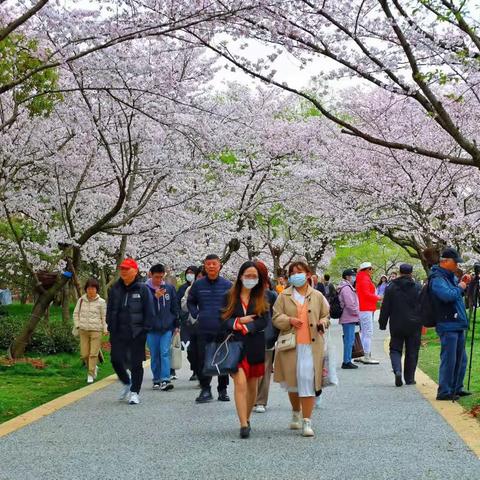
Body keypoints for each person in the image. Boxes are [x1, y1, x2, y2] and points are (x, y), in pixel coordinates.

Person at [273, 261, 330, 438]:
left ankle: (307, 420)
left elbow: (326, 315)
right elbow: (276, 316)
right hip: (290, 345)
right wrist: (289, 320)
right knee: (292, 383)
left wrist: (322, 323)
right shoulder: (283, 296)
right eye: (292, 272)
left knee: (307, 381)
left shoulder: (318, 295)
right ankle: (295, 412)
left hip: (311, 346)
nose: (295, 275)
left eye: (299, 272)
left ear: (307, 274)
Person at [221, 261, 270, 438]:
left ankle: (247, 417)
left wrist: (250, 327)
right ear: (241, 276)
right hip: (235, 345)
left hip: (255, 345)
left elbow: (264, 320)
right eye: (247, 275)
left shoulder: (261, 297)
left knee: (252, 385)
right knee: (240, 382)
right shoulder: (229, 296)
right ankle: (243, 424)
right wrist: (238, 322)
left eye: (254, 276)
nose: (250, 279)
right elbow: (222, 318)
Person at [106, 258, 154, 405]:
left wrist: (144, 330)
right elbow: (110, 309)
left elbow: (149, 311)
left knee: (135, 364)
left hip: (136, 333)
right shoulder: (115, 288)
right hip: (118, 332)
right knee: (115, 360)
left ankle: (134, 392)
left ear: (135, 271)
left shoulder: (142, 289)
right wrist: (110, 325)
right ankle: (127, 382)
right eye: (122, 269)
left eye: (127, 269)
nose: (123, 271)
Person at [187, 254, 232, 403]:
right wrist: (196, 314)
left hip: (223, 328)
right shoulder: (198, 285)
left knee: (222, 359)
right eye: (208, 264)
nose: (211, 266)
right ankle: (205, 389)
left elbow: (233, 304)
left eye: (214, 264)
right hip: (203, 328)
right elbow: (191, 302)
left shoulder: (227, 285)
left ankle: (223, 389)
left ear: (219, 266)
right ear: (205, 266)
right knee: (202, 359)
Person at [429, 248, 470, 400]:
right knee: (449, 359)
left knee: (461, 359)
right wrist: (460, 287)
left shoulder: (449, 277)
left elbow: (455, 294)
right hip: (447, 323)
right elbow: (447, 296)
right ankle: (444, 391)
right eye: (455, 263)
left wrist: (462, 283)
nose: (457, 266)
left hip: (457, 323)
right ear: (445, 262)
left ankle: (456, 388)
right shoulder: (437, 278)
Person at [379, 264, 422, 386]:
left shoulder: (391, 287)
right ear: (411, 273)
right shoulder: (417, 287)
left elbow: (385, 307)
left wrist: (382, 323)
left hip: (397, 323)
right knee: (412, 351)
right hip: (414, 324)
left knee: (395, 349)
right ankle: (409, 379)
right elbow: (423, 305)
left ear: (399, 272)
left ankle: (397, 370)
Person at [145, 264, 180, 391]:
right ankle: (156, 379)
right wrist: (155, 298)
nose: (159, 280)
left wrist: (176, 324)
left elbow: (175, 307)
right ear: (150, 274)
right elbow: (143, 308)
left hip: (166, 327)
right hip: (151, 328)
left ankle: (165, 379)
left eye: (161, 277)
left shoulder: (169, 288)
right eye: (156, 277)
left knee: (164, 352)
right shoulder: (145, 289)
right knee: (155, 354)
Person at [254, 261, 278, 413]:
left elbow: (276, 317)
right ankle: (250, 398)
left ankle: (261, 400)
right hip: (247, 336)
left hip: (266, 337)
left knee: (264, 370)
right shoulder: (241, 294)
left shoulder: (271, 295)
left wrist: (275, 335)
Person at [72, 278, 107, 383]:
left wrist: (105, 328)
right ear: (86, 289)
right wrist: (78, 325)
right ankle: (93, 367)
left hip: (96, 330)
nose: (91, 290)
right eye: (89, 288)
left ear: (97, 289)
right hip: (83, 330)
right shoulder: (81, 300)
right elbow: (75, 313)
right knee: (84, 354)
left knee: (93, 354)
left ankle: (90, 373)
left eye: (93, 288)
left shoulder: (101, 302)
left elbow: (104, 316)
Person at [181, 268, 204, 382]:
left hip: (207, 325)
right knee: (191, 352)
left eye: (202, 276)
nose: (200, 279)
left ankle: (202, 377)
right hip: (193, 324)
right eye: (198, 276)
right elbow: (184, 307)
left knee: (203, 352)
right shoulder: (190, 289)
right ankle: (196, 370)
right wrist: (189, 300)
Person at [355, 262, 381, 364]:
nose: (372, 271)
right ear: (366, 269)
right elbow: (366, 294)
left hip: (364, 307)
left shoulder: (361, 278)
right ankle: (366, 356)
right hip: (365, 308)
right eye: (371, 269)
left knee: (364, 332)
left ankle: (362, 354)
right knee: (368, 332)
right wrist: (378, 297)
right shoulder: (364, 279)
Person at [177, 266, 199, 380]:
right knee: (189, 349)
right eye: (188, 272)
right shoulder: (183, 288)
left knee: (199, 348)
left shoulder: (200, 287)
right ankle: (194, 367)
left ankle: (198, 371)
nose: (189, 275)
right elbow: (179, 304)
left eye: (192, 273)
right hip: (186, 322)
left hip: (200, 322)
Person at [338, 269, 360, 370]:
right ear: (347, 277)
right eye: (353, 275)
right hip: (348, 317)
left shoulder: (346, 287)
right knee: (349, 340)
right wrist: (357, 313)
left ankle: (348, 360)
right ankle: (346, 361)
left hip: (348, 317)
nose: (354, 277)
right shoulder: (346, 288)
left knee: (349, 340)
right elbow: (350, 304)